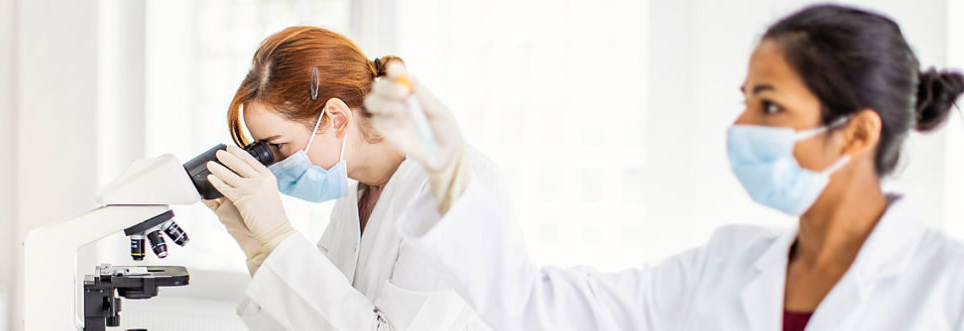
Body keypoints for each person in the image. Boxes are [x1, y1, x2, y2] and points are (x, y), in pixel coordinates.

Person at [364, 4, 964, 330]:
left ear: (857, 131)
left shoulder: (948, 287)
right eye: (746, 100)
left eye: (771, 105)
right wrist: (449, 176)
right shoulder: (725, 267)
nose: (742, 126)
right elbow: (536, 306)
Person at [202, 26, 490, 330]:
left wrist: (279, 236)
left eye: (277, 146)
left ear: (336, 118)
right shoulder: (357, 196)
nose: (275, 164)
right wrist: (257, 245)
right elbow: (315, 320)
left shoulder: (449, 188)